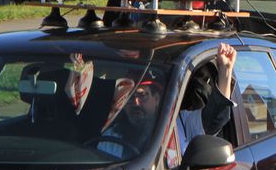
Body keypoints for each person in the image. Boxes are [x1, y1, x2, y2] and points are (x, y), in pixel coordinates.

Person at [99, 44, 236, 158]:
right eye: (129, 98)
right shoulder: (111, 136)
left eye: (142, 96)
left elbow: (216, 117)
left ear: (157, 99)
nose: (135, 103)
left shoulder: (180, 123)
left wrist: (226, 71)